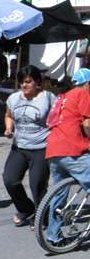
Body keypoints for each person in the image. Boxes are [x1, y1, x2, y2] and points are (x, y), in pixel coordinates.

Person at [3, 65, 57, 229]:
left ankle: (42, 217)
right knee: (10, 180)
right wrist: (9, 128)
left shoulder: (48, 97)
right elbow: (8, 115)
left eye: (28, 82)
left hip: (41, 147)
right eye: (22, 82)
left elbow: (57, 119)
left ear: (37, 82)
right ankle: (26, 209)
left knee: (38, 184)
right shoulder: (13, 98)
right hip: (19, 146)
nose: (24, 86)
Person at [45, 68, 90, 244]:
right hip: (71, 150)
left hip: (54, 150)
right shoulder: (84, 93)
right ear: (88, 83)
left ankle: (53, 236)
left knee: (59, 195)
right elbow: (87, 124)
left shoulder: (64, 97)